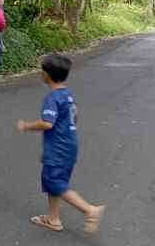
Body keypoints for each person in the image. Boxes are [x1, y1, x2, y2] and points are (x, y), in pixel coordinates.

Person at [15, 53, 105, 234]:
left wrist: (26, 125)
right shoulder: (67, 94)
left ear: (46, 75)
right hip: (69, 144)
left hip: (58, 148)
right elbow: (75, 116)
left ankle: (89, 210)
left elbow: (47, 123)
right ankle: (53, 218)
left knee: (54, 183)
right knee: (56, 182)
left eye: (42, 71)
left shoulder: (53, 98)